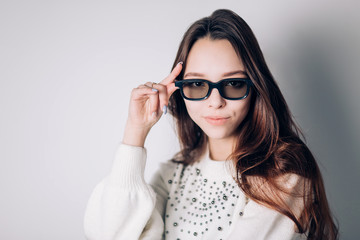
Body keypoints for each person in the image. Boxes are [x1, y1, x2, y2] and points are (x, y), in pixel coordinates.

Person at [83, 9, 338, 240]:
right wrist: (135, 131)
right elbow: (109, 234)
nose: (215, 102)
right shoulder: (173, 175)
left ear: (256, 87)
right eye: (197, 84)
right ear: (179, 90)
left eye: (234, 83)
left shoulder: (282, 174)